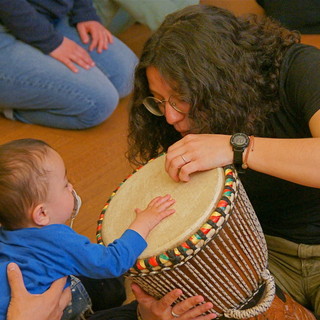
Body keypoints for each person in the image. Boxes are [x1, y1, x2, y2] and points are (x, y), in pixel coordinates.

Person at [124, 3, 320, 319]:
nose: (171, 116)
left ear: (220, 80)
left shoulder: (300, 68)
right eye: (160, 102)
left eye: (181, 98)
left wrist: (237, 147)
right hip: (261, 253)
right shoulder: (174, 122)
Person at [0, 138, 175, 319]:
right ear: (42, 213)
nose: (71, 187)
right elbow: (112, 263)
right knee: (113, 285)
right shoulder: (58, 240)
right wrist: (143, 223)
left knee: (106, 285)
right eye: (65, 185)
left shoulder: (7, 232)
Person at [0, 0, 138, 129]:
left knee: (127, 77)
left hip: (47, 16)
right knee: (97, 105)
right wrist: (50, 41)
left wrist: (85, 12)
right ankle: (10, 107)